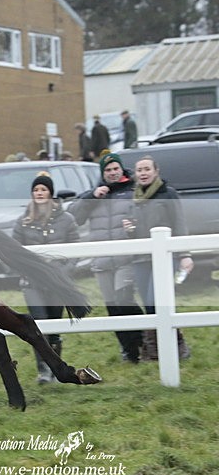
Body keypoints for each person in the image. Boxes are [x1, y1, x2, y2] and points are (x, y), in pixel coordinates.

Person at [69, 153, 145, 363]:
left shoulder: (133, 191)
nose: (112, 173)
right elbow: (74, 216)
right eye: (108, 170)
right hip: (102, 261)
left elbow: (144, 216)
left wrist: (134, 227)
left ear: (121, 169)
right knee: (112, 306)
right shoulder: (95, 194)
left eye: (115, 169)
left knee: (124, 300)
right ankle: (129, 351)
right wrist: (92, 196)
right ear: (103, 173)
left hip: (125, 258)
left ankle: (143, 340)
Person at [12, 172, 80, 384]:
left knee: (54, 323)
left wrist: (64, 271)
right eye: (36, 190)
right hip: (32, 282)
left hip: (57, 282)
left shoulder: (66, 219)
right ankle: (44, 371)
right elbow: (12, 250)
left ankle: (57, 369)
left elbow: (76, 249)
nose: (39, 193)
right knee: (38, 324)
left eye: (43, 189)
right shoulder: (23, 221)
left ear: (50, 192)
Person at [123, 156, 193, 361]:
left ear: (156, 171)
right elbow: (134, 229)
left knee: (158, 299)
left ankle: (175, 347)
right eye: (139, 170)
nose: (143, 173)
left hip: (165, 256)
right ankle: (157, 348)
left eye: (147, 169)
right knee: (149, 303)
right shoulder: (134, 198)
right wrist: (129, 230)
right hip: (141, 258)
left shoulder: (167, 194)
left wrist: (185, 254)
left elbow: (179, 224)